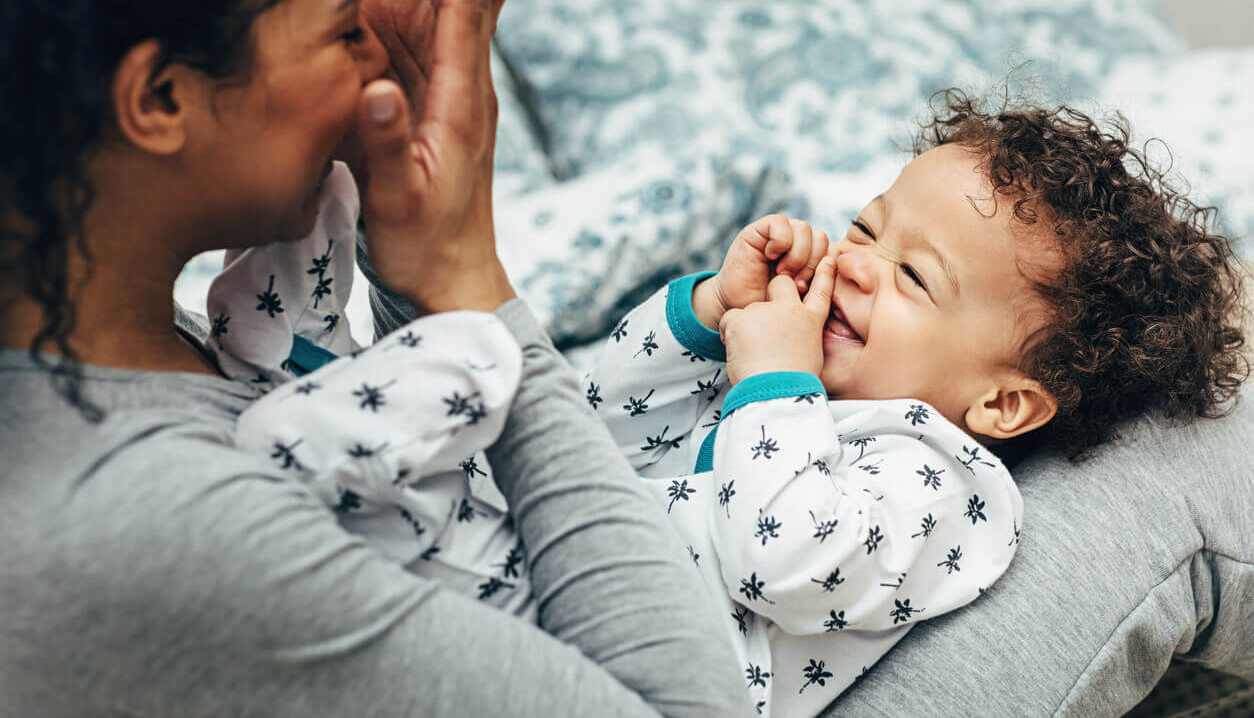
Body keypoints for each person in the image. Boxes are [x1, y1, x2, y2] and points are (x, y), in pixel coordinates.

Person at [215, 92, 1248, 716]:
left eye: (914, 278)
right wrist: (711, 317)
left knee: (469, 382)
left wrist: (769, 377)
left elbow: (781, 555)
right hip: (555, 550)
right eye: (866, 225)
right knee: (490, 411)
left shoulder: (946, 490)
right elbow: (587, 419)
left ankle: (302, 432)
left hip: (595, 661)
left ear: (1004, 402)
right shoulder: (796, 384)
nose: (854, 264)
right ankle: (298, 342)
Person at [0, 0, 750, 714]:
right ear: (161, 97)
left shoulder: (106, 343)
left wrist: (416, 273)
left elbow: (415, 500)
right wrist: (472, 291)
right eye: (345, 28)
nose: (376, 65)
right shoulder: (156, 523)